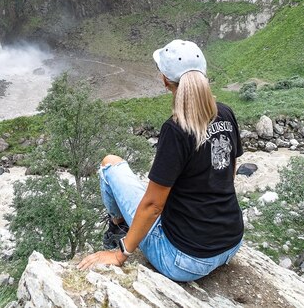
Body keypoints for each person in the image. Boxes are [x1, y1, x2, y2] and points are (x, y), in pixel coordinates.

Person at [78, 39, 244, 281]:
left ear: (166, 81)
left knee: (110, 164)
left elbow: (153, 205)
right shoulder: (226, 113)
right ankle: (124, 226)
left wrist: (121, 254)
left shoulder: (176, 129)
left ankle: (118, 228)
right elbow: (228, 172)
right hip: (231, 244)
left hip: (185, 261)